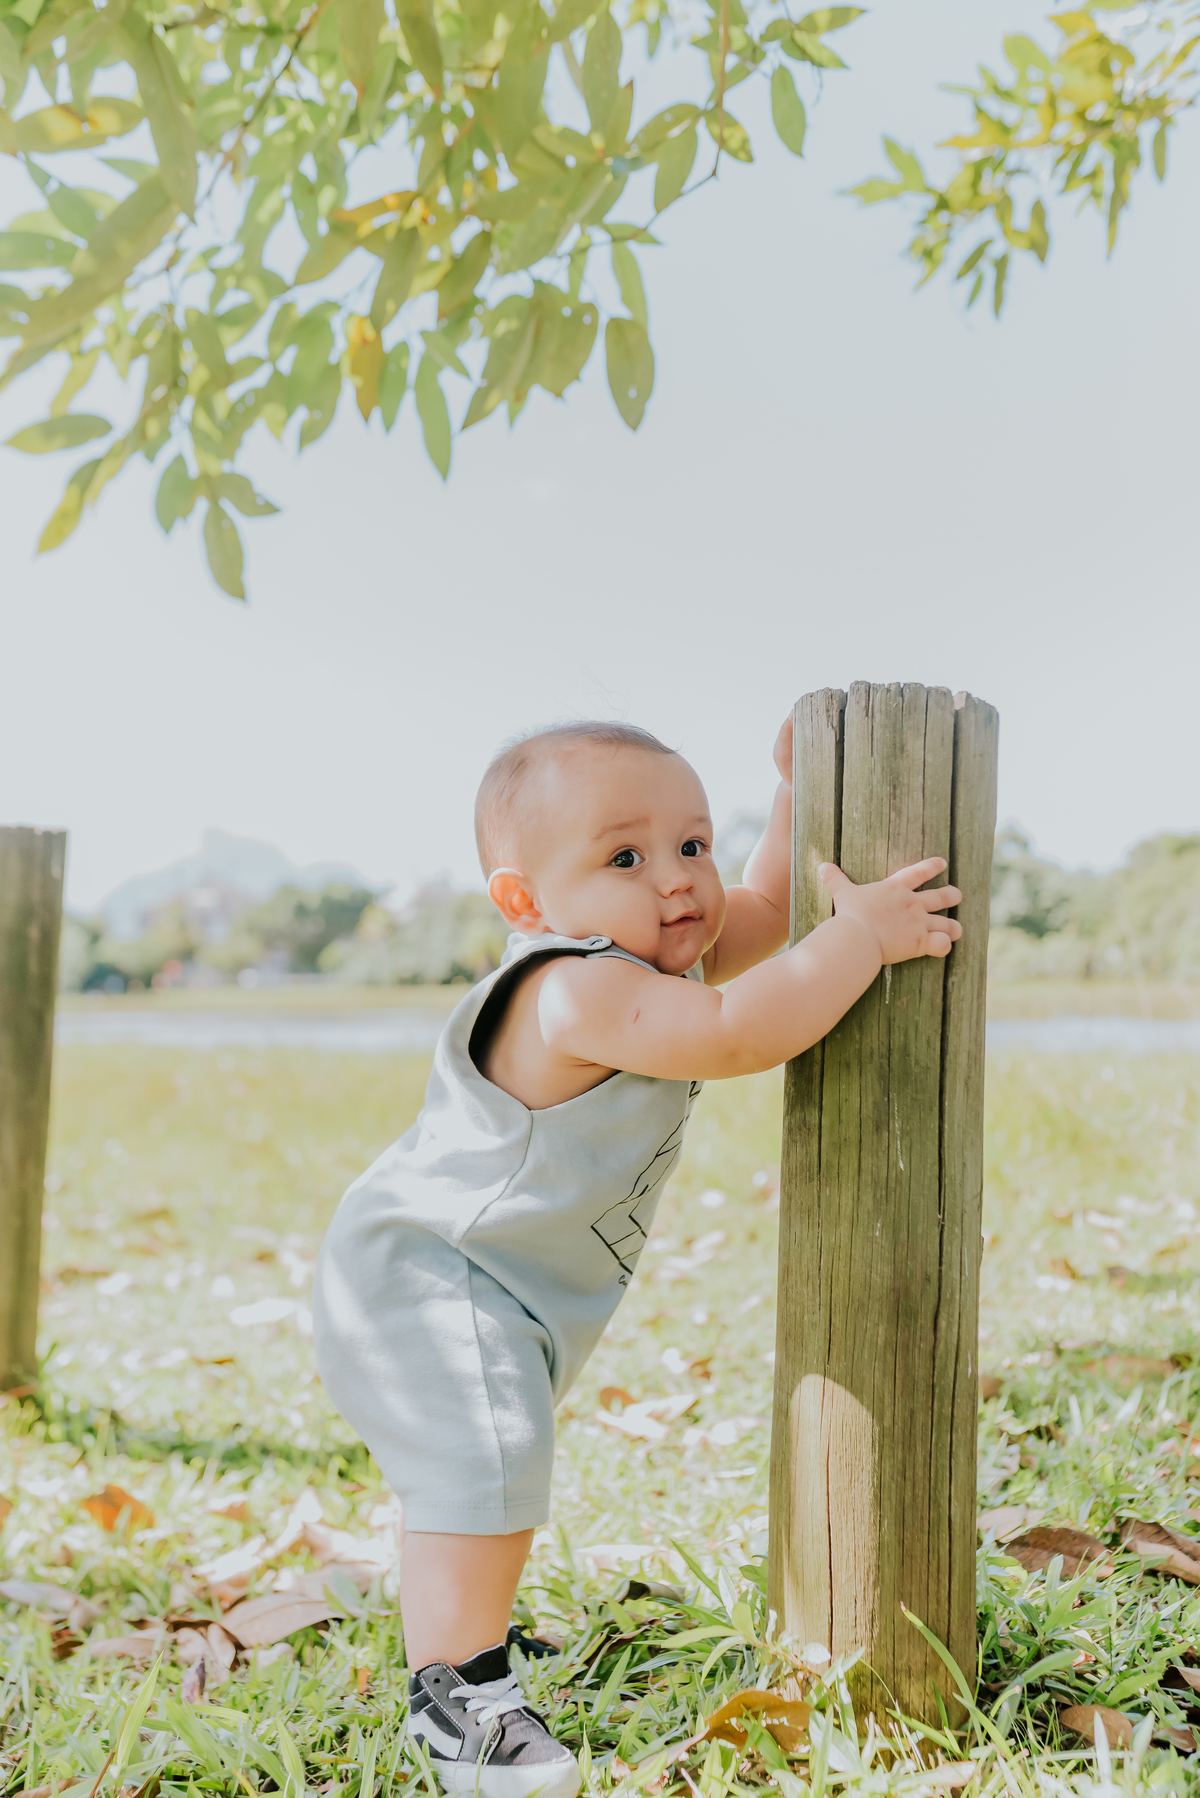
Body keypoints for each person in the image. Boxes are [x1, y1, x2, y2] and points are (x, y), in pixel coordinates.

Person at [312, 716, 963, 1798]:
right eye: (626, 858)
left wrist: (798, 797)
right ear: (526, 902)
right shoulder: (570, 984)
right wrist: (865, 937)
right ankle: (459, 1699)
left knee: (481, 1467)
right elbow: (738, 1032)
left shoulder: (649, 950)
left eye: (692, 845)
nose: (677, 881)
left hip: (494, 1283)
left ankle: (471, 1656)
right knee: (485, 1461)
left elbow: (761, 916)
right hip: (426, 1272)